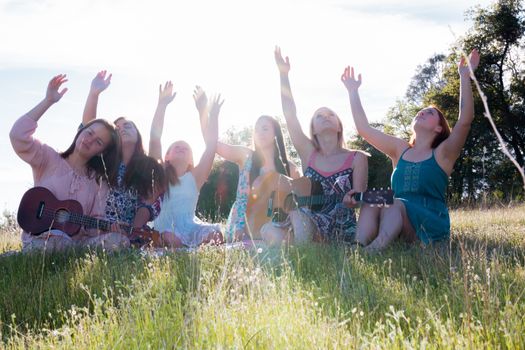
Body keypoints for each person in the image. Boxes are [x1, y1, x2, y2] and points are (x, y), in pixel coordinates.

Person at [341, 49, 480, 250]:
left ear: (439, 128)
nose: (423, 111)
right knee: (374, 198)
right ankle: (357, 246)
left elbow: (465, 120)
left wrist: (465, 77)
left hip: (429, 227)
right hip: (397, 218)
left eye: (430, 113)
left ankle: (373, 250)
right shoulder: (400, 150)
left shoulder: (443, 153)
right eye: (421, 111)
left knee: (394, 202)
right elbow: (364, 130)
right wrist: (353, 92)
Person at [10, 74, 126, 252]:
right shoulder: (48, 157)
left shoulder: (98, 182)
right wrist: (48, 101)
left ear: (101, 152)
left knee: (119, 241)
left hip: (77, 245)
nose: (90, 140)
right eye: (90, 132)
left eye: (99, 142)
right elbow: (17, 135)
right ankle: (27, 254)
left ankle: (69, 255)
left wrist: (108, 228)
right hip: (43, 241)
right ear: (82, 130)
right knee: (56, 244)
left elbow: (93, 226)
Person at [269, 46, 370, 245]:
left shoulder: (357, 157)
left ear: (339, 126)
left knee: (294, 221)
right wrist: (283, 75)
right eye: (319, 116)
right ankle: (303, 244)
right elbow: (290, 115)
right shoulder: (308, 154)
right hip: (308, 220)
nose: (325, 117)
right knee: (269, 228)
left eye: (331, 114)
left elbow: (358, 197)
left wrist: (353, 200)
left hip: (341, 226)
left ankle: (302, 249)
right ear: (313, 129)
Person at [193, 85, 302, 242]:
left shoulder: (289, 168)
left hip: (275, 227)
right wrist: (205, 112)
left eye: (265, 128)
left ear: (275, 134)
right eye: (256, 129)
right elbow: (212, 144)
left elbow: (297, 203)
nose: (259, 132)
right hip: (241, 226)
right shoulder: (245, 156)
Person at [82, 71, 166, 244]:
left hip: (129, 232)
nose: (122, 128)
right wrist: (94, 93)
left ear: (138, 135)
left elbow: (155, 138)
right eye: (117, 127)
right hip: (93, 228)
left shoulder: (145, 169)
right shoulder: (104, 161)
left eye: (127, 125)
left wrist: (162, 104)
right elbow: (88, 129)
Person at [149, 83, 224, 248]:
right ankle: (182, 246)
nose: (181, 147)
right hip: (164, 230)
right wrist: (162, 105)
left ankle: (188, 246)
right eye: (176, 146)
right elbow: (155, 139)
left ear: (191, 160)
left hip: (189, 228)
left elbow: (211, 145)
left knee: (216, 235)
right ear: (166, 156)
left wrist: (204, 110)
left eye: (186, 147)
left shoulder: (195, 178)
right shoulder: (159, 175)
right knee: (169, 238)